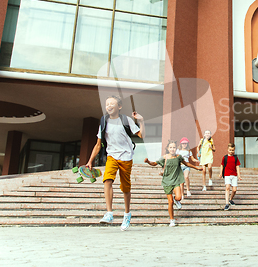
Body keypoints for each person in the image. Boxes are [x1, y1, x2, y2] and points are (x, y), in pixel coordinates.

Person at [86, 95, 145, 231]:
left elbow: (141, 135)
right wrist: (90, 161)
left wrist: (141, 121)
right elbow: (98, 144)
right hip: (111, 155)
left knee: (125, 188)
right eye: (107, 104)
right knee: (107, 180)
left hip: (126, 156)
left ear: (119, 107)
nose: (109, 106)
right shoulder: (103, 121)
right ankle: (109, 213)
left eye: (112, 104)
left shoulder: (126, 120)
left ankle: (127, 214)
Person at [144, 140, 203, 227]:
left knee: (178, 197)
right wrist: (148, 161)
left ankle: (176, 200)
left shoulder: (179, 157)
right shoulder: (164, 157)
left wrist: (196, 168)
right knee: (170, 202)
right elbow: (154, 163)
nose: (172, 149)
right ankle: (172, 220)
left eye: (174, 147)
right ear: (168, 148)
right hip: (167, 181)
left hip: (176, 180)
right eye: (170, 147)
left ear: (176, 148)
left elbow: (186, 163)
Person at [218, 143, 242, 211]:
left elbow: (237, 166)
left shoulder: (235, 158)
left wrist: (239, 175)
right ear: (227, 149)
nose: (231, 151)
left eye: (232, 150)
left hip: (234, 175)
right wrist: (220, 173)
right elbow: (222, 165)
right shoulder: (225, 157)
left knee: (234, 190)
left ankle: (230, 199)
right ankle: (226, 204)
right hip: (227, 175)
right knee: (227, 188)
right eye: (230, 150)